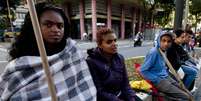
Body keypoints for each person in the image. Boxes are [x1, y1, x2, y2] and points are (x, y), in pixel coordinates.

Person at [0, 3, 96, 101]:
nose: (56, 30)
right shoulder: (18, 66)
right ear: (33, 27)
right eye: (48, 25)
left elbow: (86, 89)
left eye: (60, 26)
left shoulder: (72, 52)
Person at [86, 28, 141, 101]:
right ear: (100, 45)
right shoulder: (91, 62)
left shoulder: (120, 58)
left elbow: (125, 84)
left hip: (121, 94)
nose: (114, 44)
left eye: (115, 40)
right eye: (109, 42)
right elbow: (99, 92)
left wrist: (131, 98)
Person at [140, 31, 191, 100]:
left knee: (186, 91)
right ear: (159, 40)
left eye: (168, 41)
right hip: (159, 80)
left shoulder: (164, 51)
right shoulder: (154, 52)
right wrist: (157, 79)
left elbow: (162, 67)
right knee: (186, 97)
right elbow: (143, 71)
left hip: (165, 76)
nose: (166, 44)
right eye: (163, 41)